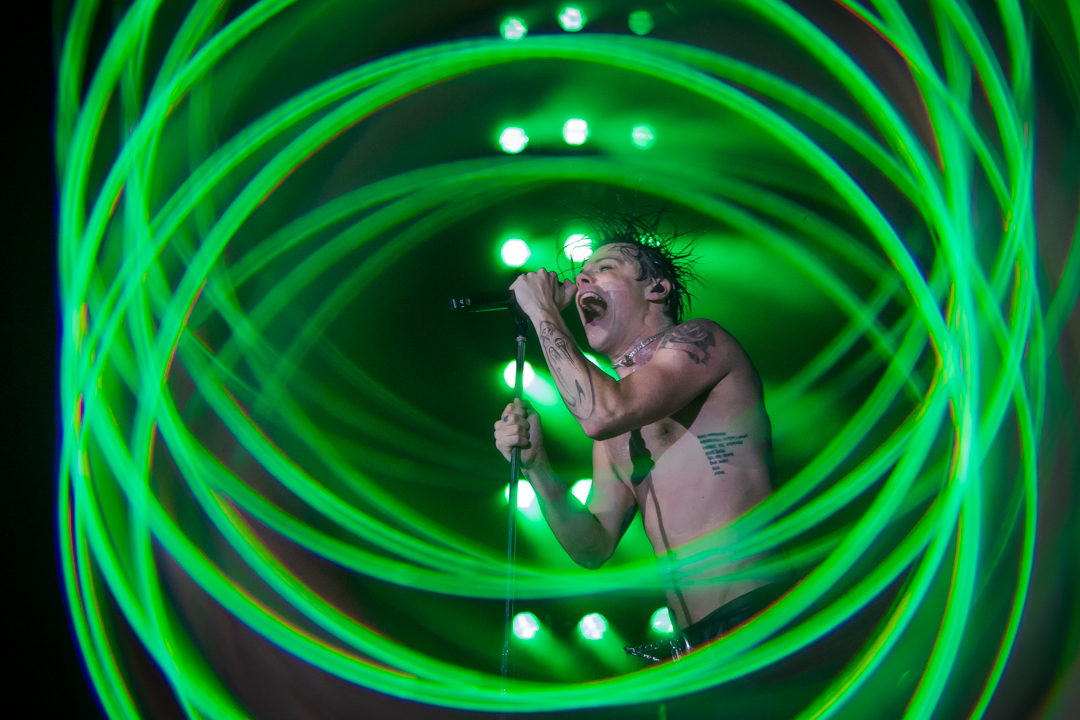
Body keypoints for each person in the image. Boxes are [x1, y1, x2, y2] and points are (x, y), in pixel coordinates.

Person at [493, 214, 790, 662]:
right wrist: (538, 467)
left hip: (757, 620)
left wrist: (542, 311)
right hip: (690, 648)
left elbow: (603, 413)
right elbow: (592, 546)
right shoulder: (615, 425)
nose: (583, 279)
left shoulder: (701, 342)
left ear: (657, 288)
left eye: (604, 269)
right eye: (582, 273)